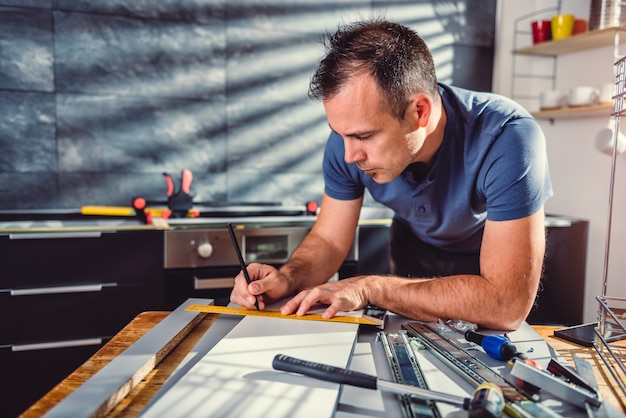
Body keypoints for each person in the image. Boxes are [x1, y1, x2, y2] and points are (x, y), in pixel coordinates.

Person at [230, 19, 552, 330]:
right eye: (340, 135)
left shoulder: (507, 138)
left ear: (419, 112)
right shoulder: (347, 142)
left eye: (364, 136)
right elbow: (328, 239)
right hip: (410, 253)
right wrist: (287, 277)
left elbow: (506, 305)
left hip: (483, 264)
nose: (348, 156)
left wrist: (371, 289)